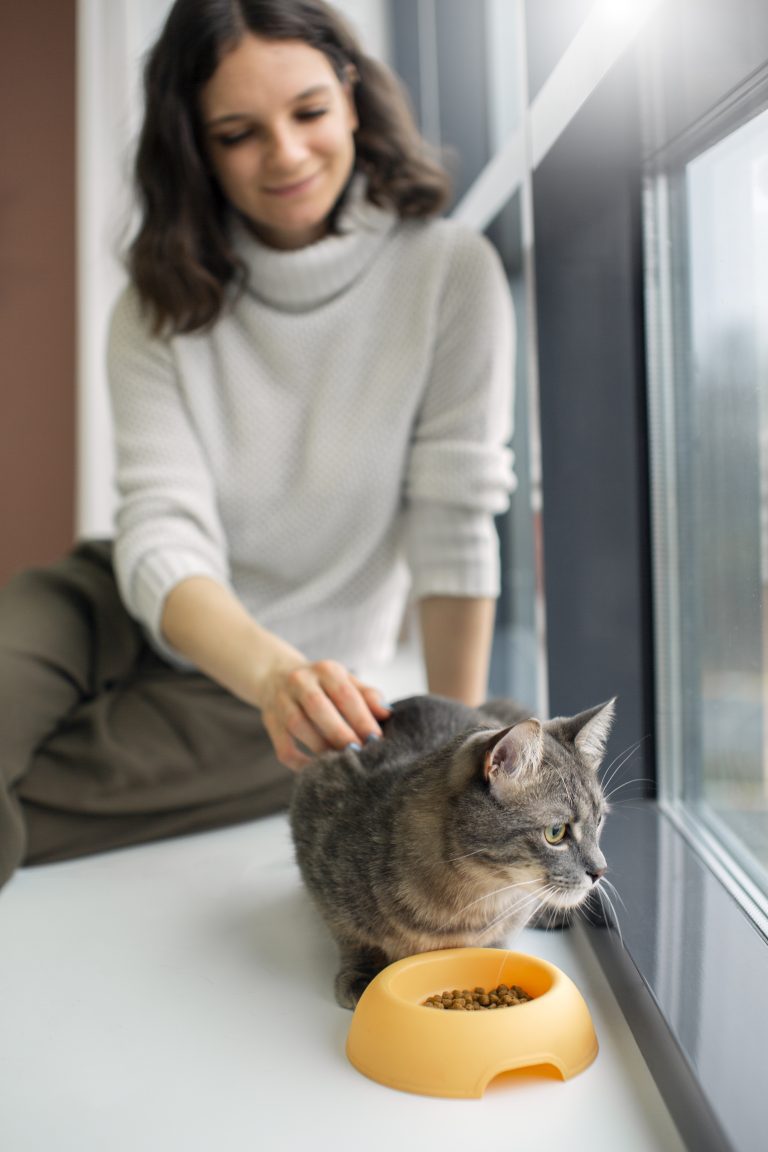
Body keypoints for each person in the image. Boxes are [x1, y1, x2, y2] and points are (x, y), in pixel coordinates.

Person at [0, 0, 515, 890]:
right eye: (239, 133)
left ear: (352, 96)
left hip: (291, 690)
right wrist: (272, 672)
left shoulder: (450, 274)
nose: (285, 154)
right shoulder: (155, 305)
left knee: (36, 795)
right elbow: (160, 531)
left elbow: (454, 527)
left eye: (309, 112)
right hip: (137, 606)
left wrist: (463, 762)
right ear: (194, 145)